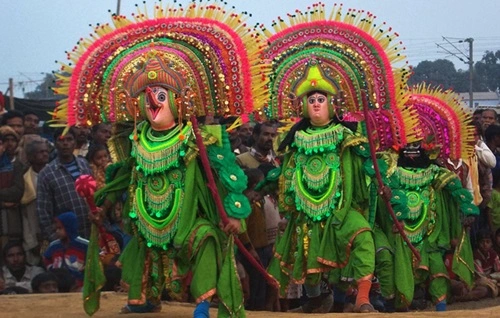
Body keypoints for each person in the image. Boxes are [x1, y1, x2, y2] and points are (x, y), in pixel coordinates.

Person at [49, 3, 264, 316]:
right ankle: (144, 299)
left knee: (204, 239)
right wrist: (103, 204)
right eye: (147, 95)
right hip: (147, 215)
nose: (153, 101)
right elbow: (122, 174)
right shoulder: (136, 139)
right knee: (142, 245)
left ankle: (203, 304)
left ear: (178, 101)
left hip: (187, 217)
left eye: (161, 95)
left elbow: (225, 173)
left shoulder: (197, 137)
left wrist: (233, 213)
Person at [37, 127, 92, 242]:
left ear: (75, 143)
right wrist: (54, 238)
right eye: (61, 140)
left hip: (91, 229)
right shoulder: (46, 174)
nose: (65, 143)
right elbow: (43, 211)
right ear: (55, 144)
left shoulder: (84, 164)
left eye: (69, 139)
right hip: (66, 236)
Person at [20, 139, 50, 265]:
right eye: (40, 152)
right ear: (31, 156)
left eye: (46, 151)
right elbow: (25, 216)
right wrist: (32, 243)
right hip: (36, 233)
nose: (45, 154)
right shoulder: (25, 179)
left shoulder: (55, 173)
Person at [43, 211, 89, 288]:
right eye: (56, 229)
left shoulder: (84, 244)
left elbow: (98, 256)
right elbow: (46, 258)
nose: (57, 231)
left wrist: (86, 268)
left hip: (79, 285)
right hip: (58, 285)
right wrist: (51, 268)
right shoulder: (53, 246)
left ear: (69, 227)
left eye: (60, 228)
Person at [0, 126, 25, 247]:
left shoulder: (17, 165)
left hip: (14, 221)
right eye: (5, 140)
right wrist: (3, 203)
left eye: (12, 140)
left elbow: (17, 191)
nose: (9, 144)